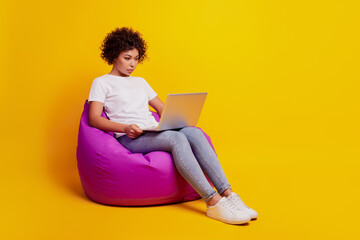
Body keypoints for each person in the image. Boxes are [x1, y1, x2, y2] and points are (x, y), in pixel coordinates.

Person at [87, 27, 258, 225]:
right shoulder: (102, 82)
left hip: (150, 130)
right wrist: (125, 127)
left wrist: (176, 117)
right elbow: (94, 119)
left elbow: (161, 108)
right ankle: (212, 201)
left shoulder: (141, 82)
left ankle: (228, 195)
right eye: (127, 58)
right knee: (176, 138)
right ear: (114, 55)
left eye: (136, 58)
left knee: (193, 131)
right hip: (130, 137)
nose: (132, 64)